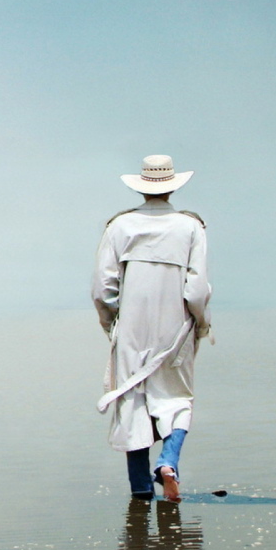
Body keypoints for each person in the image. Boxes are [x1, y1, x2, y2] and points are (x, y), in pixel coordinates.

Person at [92, 155, 211, 502]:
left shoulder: (120, 226)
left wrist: (111, 323)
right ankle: (168, 462)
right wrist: (199, 324)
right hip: (176, 325)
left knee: (131, 399)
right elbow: (198, 288)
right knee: (176, 399)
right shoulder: (191, 227)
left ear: (141, 187)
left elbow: (103, 287)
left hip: (131, 325)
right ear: (173, 185)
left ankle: (141, 494)